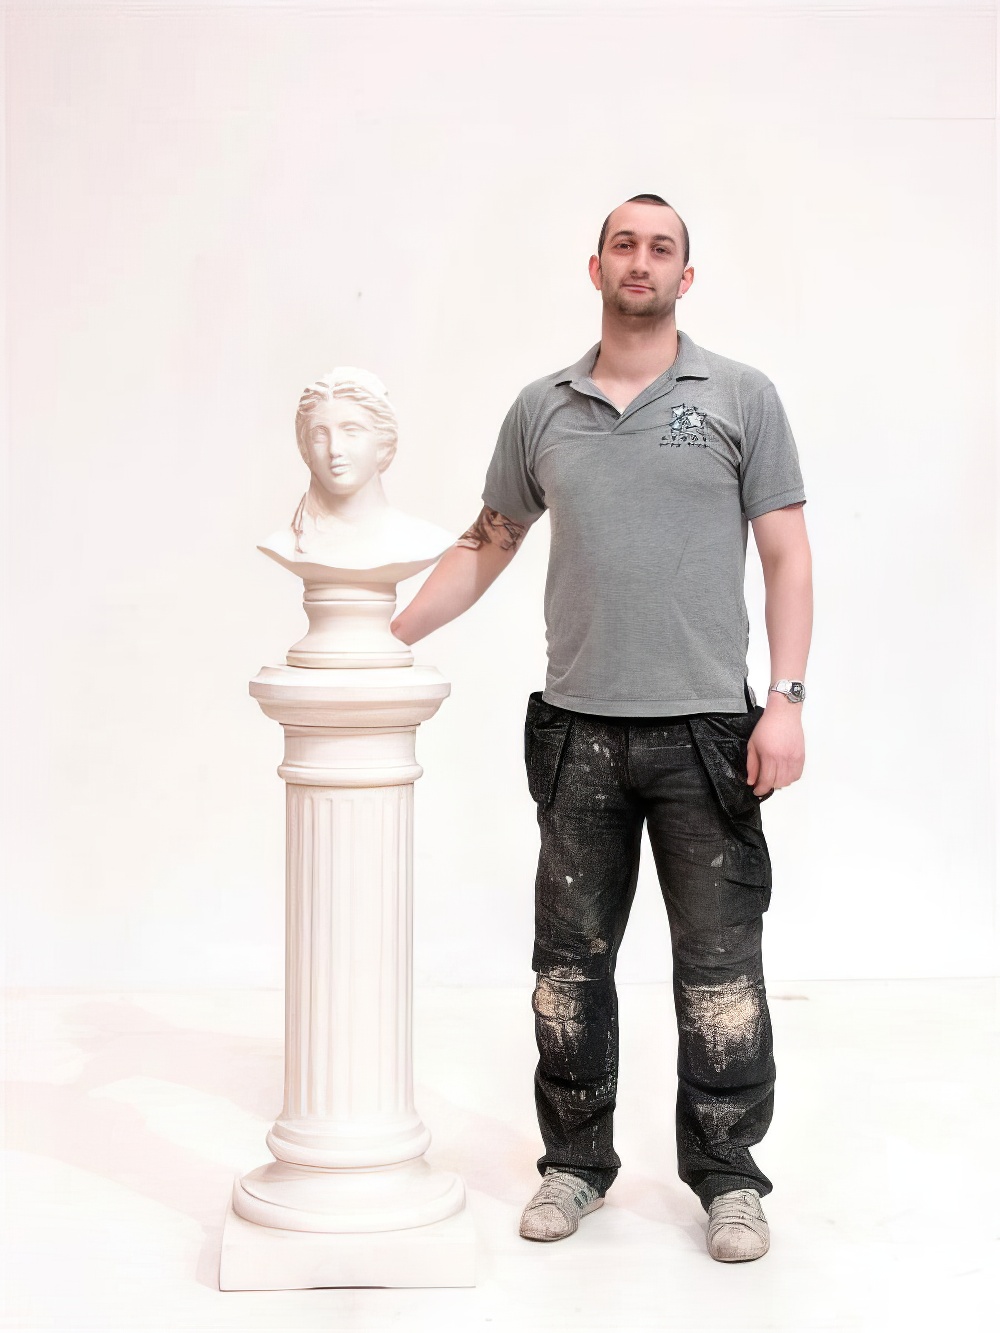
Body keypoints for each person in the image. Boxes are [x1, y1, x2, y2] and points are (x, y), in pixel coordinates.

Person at [390, 193, 812, 1263]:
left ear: (685, 276)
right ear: (596, 267)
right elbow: (487, 542)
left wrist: (786, 699)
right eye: (624, 243)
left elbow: (786, 554)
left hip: (708, 736)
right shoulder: (543, 408)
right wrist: (382, 634)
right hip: (577, 733)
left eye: (661, 248)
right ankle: (575, 1164)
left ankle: (729, 1179)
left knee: (719, 975)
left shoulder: (740, 396)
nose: (641, 260)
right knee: (568, 971)